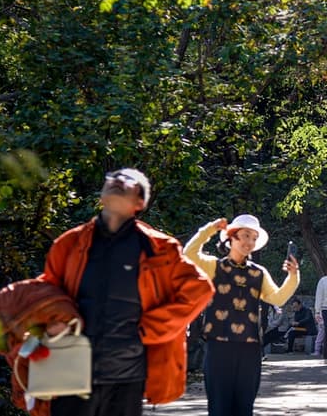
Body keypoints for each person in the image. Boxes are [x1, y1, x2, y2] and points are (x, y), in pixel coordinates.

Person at [40, 168, 215, 416]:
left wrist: (152, 328)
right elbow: (47, 290)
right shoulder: (69, 243)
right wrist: (52, 320)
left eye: (129, 181)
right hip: (71, 368)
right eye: (113, 179)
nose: (119, 181)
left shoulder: (160, 248)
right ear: (101, 196)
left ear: (140, 202)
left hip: (127, 372)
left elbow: (200, 289)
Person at [184, 214, 300, 415]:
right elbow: (189, 253)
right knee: (219, 407)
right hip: (219, 346)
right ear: (231, 237)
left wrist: (293, 276)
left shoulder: (259, 273)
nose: (250, 242)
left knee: (244, 407)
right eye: (245, 235)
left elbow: (277, 298)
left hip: (249, 349)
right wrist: (210, 229)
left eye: (254, 238)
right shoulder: (214, 267)